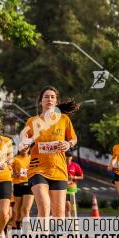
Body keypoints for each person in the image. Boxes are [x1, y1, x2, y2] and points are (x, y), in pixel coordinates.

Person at [22, 87, 78, 221]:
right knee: (44, 207)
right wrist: (24, 144)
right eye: (46, 97)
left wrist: (68, 144)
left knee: (59, 214)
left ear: (56, 101)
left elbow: (74, 139)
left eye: (52, 97)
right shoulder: (32, 121)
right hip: (38, 169)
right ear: (41, 101)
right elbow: (24, 140)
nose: (49, 99)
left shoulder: (64, 119)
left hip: (58, 169)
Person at [10, 143, 33, 229]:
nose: (25, 148)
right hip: (18, 185)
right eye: (22, 146)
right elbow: (9, 172)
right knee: (17, 210)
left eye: (27, 146)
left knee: (25, 209)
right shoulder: (15, 159)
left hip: (29, 184)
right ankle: (17, 226)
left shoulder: (32, 158)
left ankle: (26, 232)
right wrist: (14, 174)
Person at [65, 153, 83, 217]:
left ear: (71, 158)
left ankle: (73, 219)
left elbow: (81, 176)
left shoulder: (75, 165)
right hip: (63, 187)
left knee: (72, 205)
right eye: (66, 158)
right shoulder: (61, 165)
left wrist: (74, 177)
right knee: (67, 205)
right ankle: (69, 221)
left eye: (69, 158)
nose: (68, 160)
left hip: (72, 187)